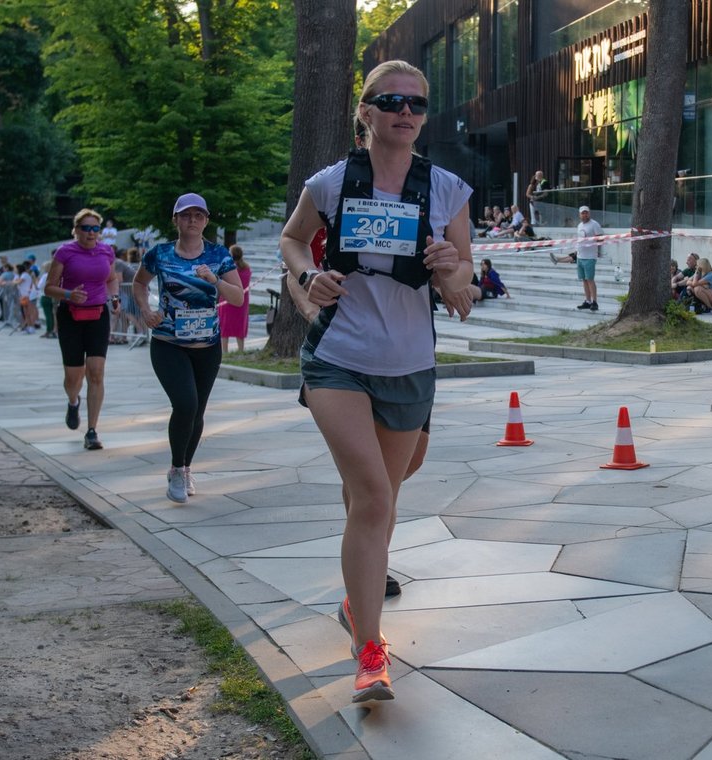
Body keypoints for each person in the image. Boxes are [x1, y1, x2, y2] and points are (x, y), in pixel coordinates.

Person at [279, 60, 472, 704]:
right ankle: (369, 653)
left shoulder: (446, 190)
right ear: (366, 112)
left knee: (386, 489)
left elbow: (464, 292)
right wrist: (310, 279)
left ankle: (354, 596)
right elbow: (292, 243)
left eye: (417, 103)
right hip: (339, 356)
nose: (406, 112)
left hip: (410, 363)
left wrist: (451, 268)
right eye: (392, 101)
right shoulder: (331, 183)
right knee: (371, 497)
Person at [133, 192, 245, 503]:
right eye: (185, 215)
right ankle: (176, 469)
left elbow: (237, 297)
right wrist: (145, 310)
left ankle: (185, 467)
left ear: (206, 221)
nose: (192, 220)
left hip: (206, 346)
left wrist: (214, 280)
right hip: (169, 342)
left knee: (197, 411)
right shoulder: (160, 253)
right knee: (185, 404)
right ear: (175, 220)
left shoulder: (219, 255)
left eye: (198, 215)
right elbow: (139, 283)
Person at [44, 208, 121, 450]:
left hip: (98, 314)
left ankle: (92, 431)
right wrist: (69, 294)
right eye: (85, 228)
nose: (91, 233)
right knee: (73, 376)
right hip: (70, 316)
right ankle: (73, 400)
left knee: (96, 372)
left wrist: (116, 297)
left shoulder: (106, 251)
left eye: (95, 228)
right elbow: (49, 287)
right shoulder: (65, 252)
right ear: (76, 230)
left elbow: (111, 278)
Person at [217, 244, 252, 353]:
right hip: (241, 301)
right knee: (239, 326)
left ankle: (225, 351)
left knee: (225, 326)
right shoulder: (247, 269)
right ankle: (241, 350)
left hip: (227, 300)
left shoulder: (228, 269)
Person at [575, 205, 604, 310]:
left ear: (589, 213)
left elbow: (601, 239)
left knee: (590, 279)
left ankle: (595, 301)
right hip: (580, 256)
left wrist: (593, 241)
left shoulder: (594, 224)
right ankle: (587, 300)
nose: (585, 214)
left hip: (590, 256)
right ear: (580, 214)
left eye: (586, 212)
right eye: (583, 213)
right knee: (584, 280)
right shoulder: (579, 226)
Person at [37, 260, 57, 339]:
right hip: (52, 295)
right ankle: (52, 330)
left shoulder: (45, 275)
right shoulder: (54, 274)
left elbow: (40, 286)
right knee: (52, 315)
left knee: (48, 315)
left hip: (45, 295)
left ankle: (49, 330)